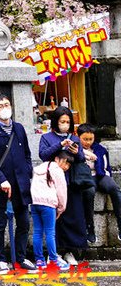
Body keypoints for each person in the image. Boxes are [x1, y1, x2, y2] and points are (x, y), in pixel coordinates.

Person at [0, 94, 38, 275]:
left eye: (6, 104)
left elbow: (27, 154)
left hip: (21, 183)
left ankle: (20, 257)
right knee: (0, 223)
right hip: (2, 185)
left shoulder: (19, 128)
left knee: (23, 223)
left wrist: (28, 171)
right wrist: (1, 179)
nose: (4, 108)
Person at [39, 106, 87, 265]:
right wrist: (60, 145)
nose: (65, 124)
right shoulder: (46, 137)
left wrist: (75, 150)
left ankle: (70, 251)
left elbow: (81, 158)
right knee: (55, 219)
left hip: (71, 183)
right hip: (52, 183)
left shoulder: (74, 138)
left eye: (67, 122)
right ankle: (54, 252)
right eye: (62, 121)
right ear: (56, 122)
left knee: (73, 217)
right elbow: (43, 155)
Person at [31, 149, 75, 270]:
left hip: (35, 203)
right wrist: (61, 208)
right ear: (57, 159)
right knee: (50, 233)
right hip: (48, 205)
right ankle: (54, 259)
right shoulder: (57, 170)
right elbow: (62, 191)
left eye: (68, 165)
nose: (66, 166)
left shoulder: (39, 168)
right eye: (65, 162)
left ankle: (39, 260)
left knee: (37, 232)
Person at [78, 123, 121, 244]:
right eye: (85, 139)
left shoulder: (100, 149)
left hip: (101, 175)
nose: (88, 142)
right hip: (86, 177)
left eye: (90, 139)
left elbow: (107, 167)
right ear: (79, 137)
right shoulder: (76, 149)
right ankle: (90, 227)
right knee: (89, 192)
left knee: (114, 188)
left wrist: (108, 177)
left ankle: (120, 222)